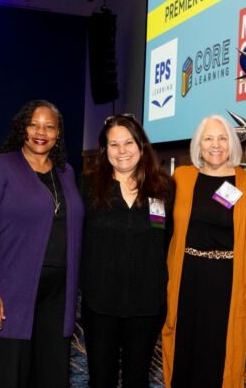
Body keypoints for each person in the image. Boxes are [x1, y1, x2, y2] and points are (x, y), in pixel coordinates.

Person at [0, 100, 84, 387]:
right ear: (23, 128)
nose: (40, 132)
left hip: (58, 298)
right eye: (34, 124)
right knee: (10, 375)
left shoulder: (66, 172)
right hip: (11, 294)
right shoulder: (0, 167)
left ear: (58, 133)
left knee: (51, 375)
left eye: (49, 126)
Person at [161, 115, 246, 388]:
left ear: (232, 144)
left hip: (227, 282)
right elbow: (160, 221)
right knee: (183, 347)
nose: (216, 145)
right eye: (209, 138)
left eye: (223, 138)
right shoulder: (182, 178)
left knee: (219, 351)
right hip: (186, 277)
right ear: (198, 144)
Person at [80, 114, 175, 387]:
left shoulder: (164, 188)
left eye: (129, 142)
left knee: (138, 379)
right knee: (101, 379)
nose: (122, 151)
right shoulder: (86, 186)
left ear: (141, 145)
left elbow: (165, 239)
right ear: (104, 150)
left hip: (146, 305)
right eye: (113, 144)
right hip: (100, 304)